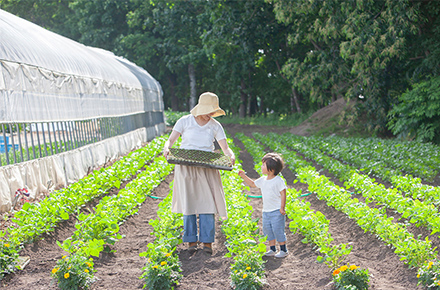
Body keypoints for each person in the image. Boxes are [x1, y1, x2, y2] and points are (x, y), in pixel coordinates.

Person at [163, 92, 235, 255]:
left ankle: (207, 242)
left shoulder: (215, 125)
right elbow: (171, 140)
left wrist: (230, 155)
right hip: (185, 166)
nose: (210, 114)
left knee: (207, 204)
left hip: (207, 167)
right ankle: (191, 240)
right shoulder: (185, 121)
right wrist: (166, 148)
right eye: (209, 110)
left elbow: (225, 147)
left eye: (212, 111)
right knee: (189, 205)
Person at [238, 152, 288, 258]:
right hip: (266, 211)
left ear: (272, 168)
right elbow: (252, 184)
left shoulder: (278, 180)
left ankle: (283, 250)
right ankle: (272, 249)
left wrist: (282, 207)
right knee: (268, 230)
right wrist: (243, 176)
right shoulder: (263, 180)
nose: (261, 167)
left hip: (276, 211)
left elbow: (283, 193)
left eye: (263, 165)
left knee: (278, 229)